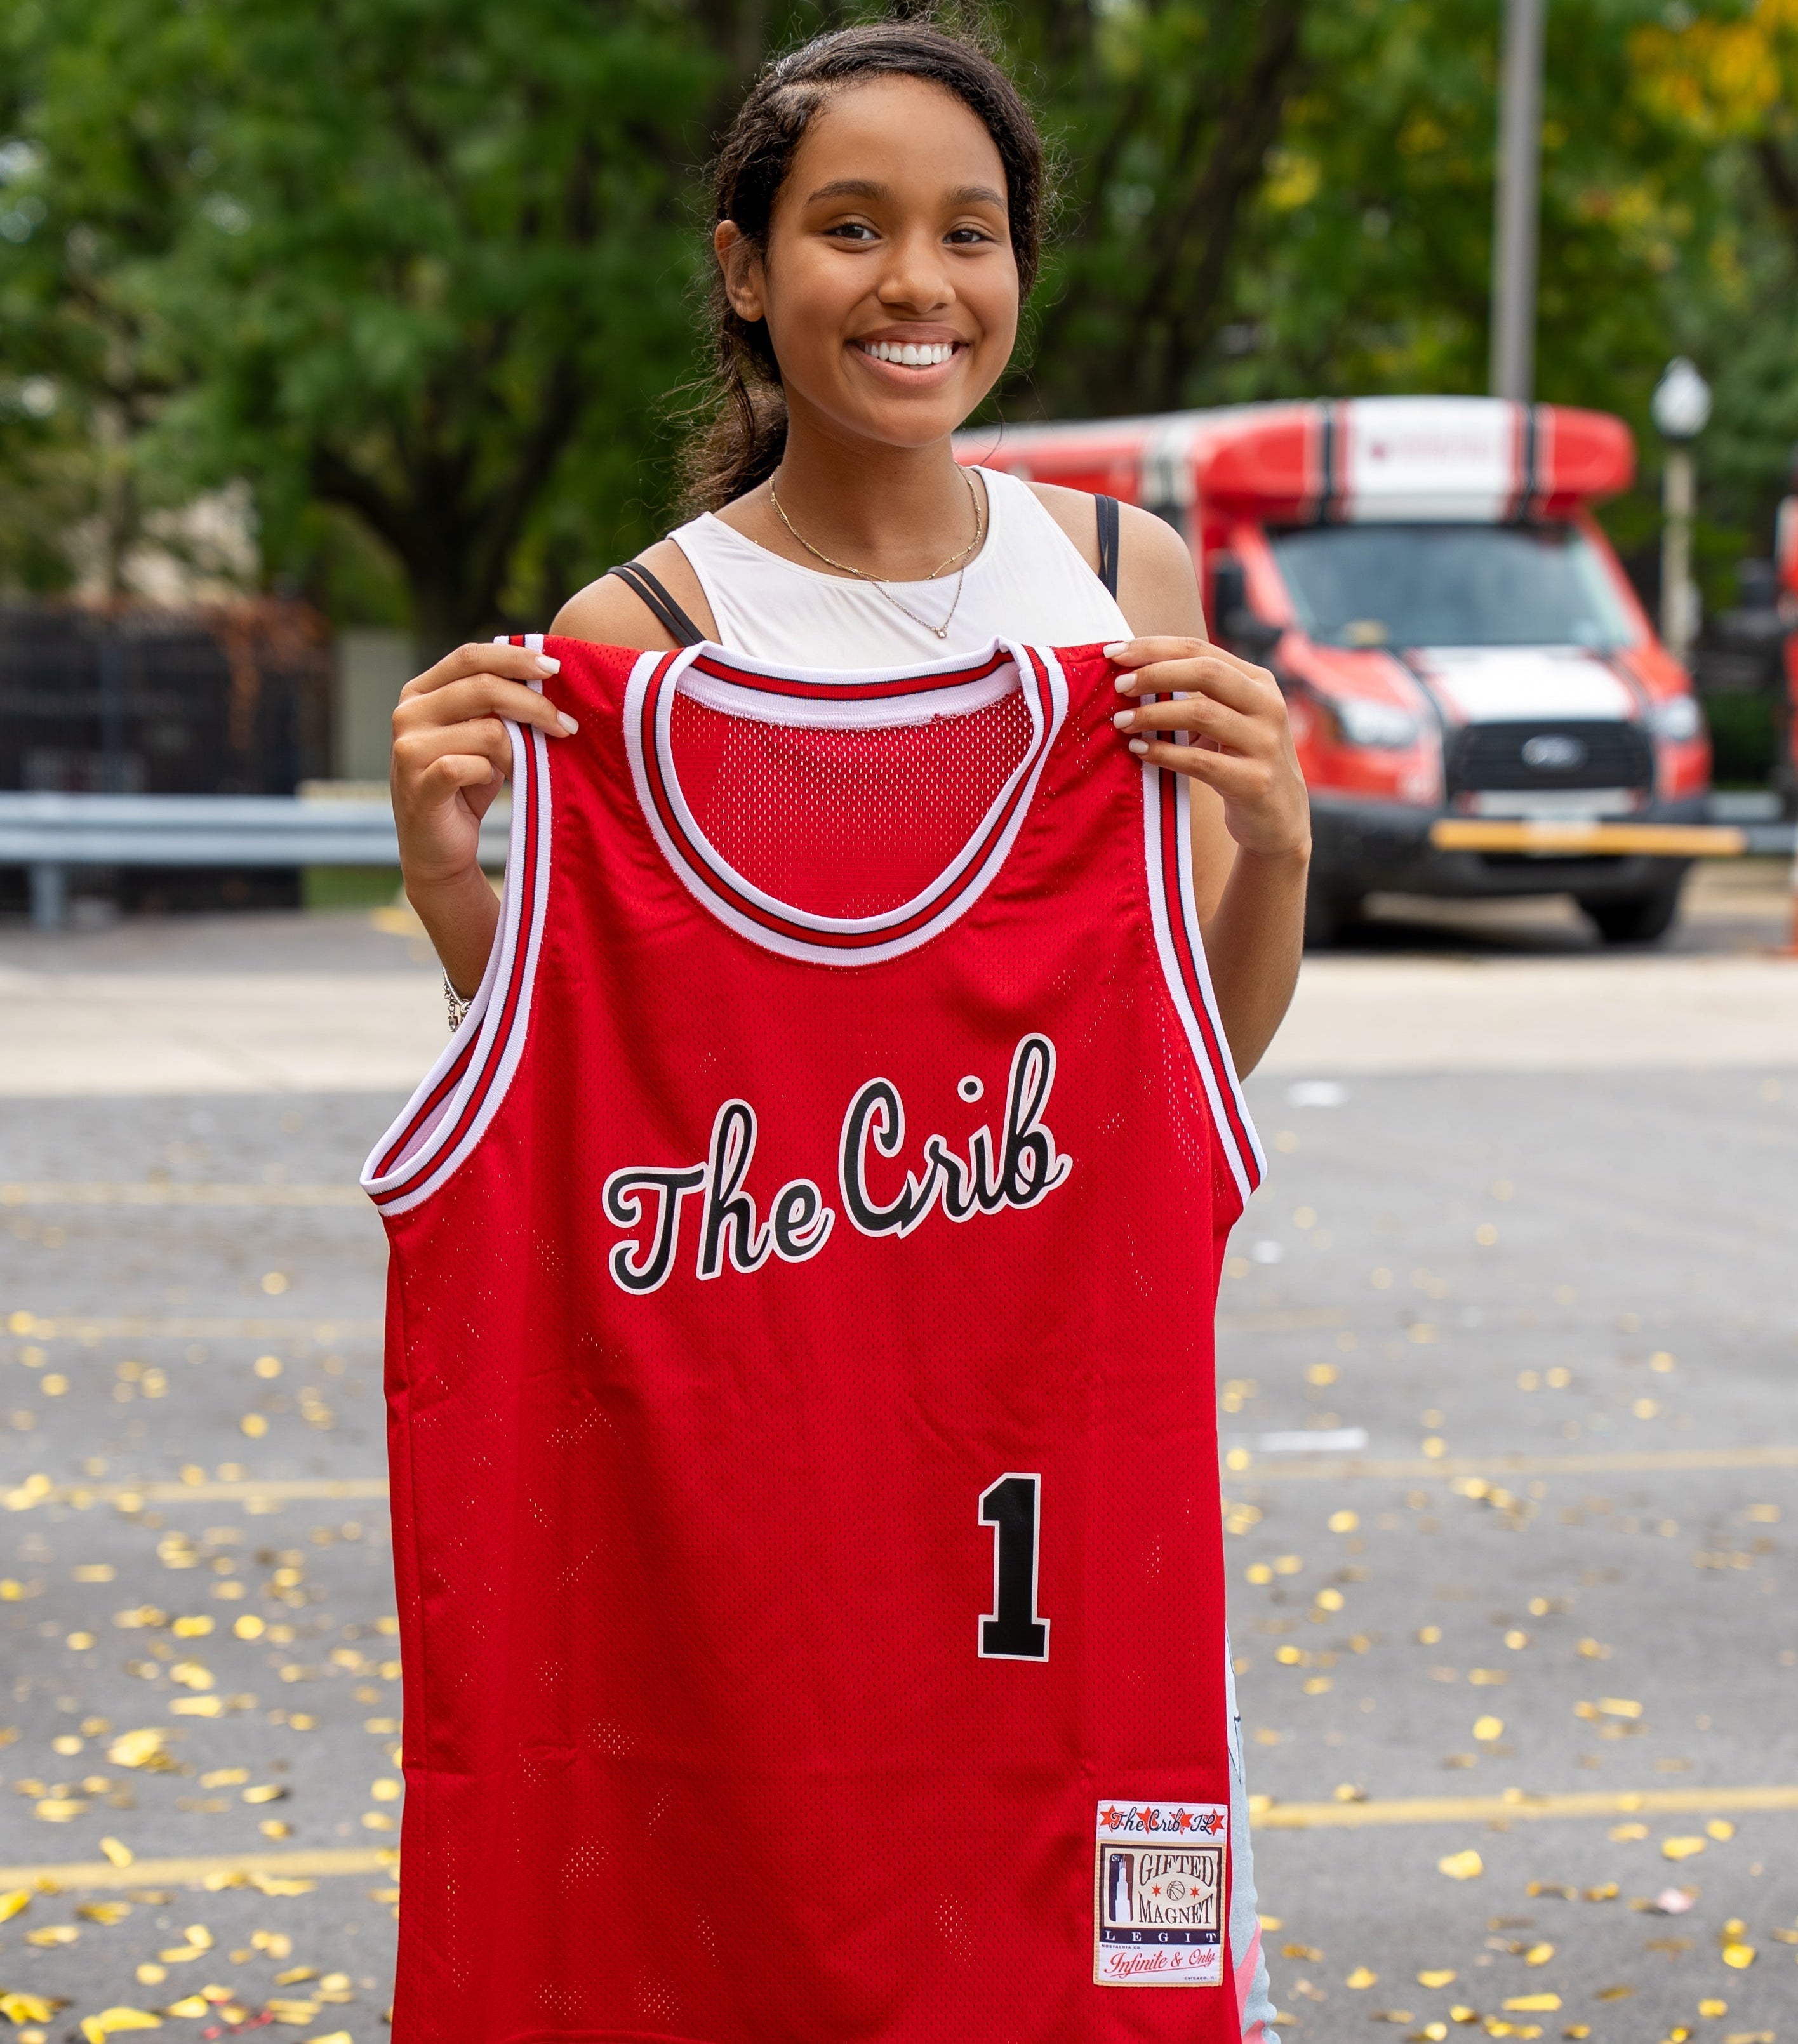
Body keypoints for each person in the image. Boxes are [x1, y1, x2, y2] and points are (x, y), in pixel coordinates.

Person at [387, 21, 1305, 2039]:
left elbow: (1191, 1073)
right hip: (734, 1596)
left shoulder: (1122, 581)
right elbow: (548, 1077)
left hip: (1065, 1604)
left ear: (1019, 268)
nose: (918, 284)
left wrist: (1280, 839)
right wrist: (450, 865)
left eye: (968, 234)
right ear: (744, 266)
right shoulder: (638, 642)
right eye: (852, 228)